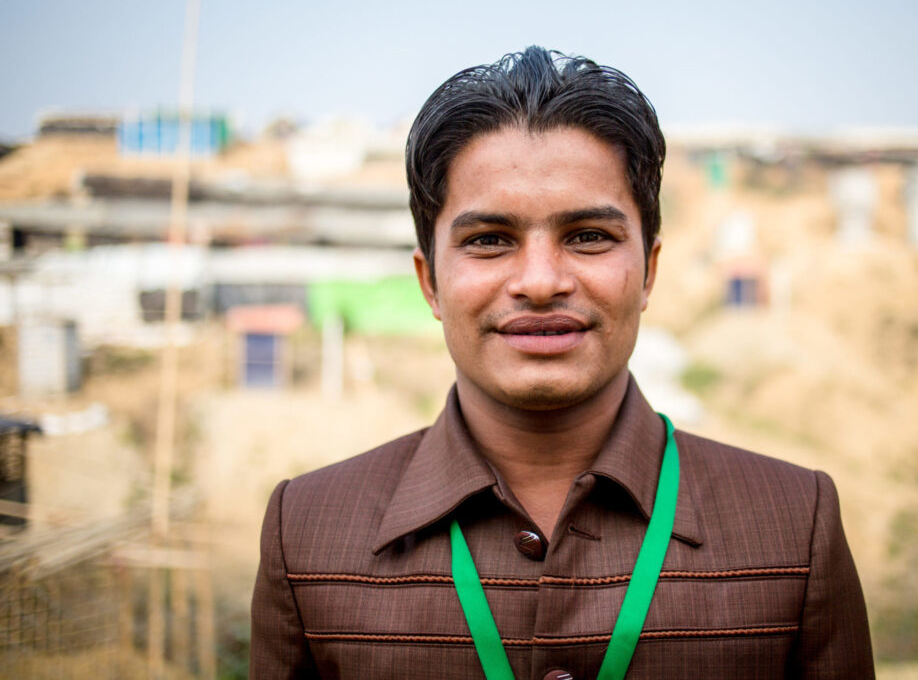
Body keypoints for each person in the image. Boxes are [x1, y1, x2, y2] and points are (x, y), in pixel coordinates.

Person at [250, 46, 873, 679]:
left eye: (588, 237)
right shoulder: (306, 534)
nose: (541, 281)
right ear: (430, 281)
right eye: (489, 240)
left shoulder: (794, 526)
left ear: (649, 271)